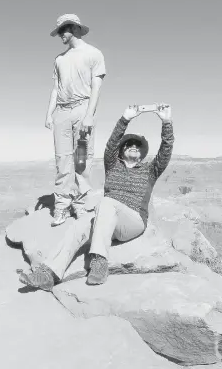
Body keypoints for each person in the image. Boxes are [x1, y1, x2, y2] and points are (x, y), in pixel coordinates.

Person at [20, 104, 174, 289]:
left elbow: (165, 150)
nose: (133, 146)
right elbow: (111, 145)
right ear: (121, 151)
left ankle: (99, 261)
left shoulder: (150, 170)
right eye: (128, 144)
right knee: (79, 226)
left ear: (142, 154)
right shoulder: (113, 165)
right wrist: (125, 119)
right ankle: (49, 274)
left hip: (132, 221)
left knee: (107, 202)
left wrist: (166, 121)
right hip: (107, 220)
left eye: (137, 145)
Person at [45, 13, 106, 227]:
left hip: (82, 109)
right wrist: (48, 114)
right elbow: (55, 89)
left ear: (76, 28)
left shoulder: (93, 54)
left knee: (81, 160)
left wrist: (89, 115)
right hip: (61, 112)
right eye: (59, 31)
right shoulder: (59, 59)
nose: (61, 34)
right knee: (62, 161)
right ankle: (61, 207)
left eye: (64, 29)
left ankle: (79, 206)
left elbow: (96, 86)